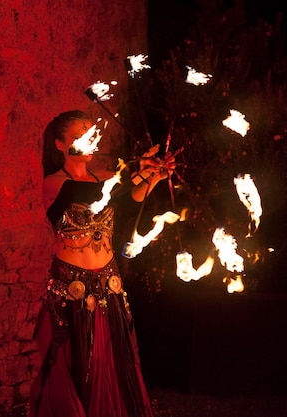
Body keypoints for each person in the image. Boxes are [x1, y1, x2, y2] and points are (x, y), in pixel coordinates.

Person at [29, 110, 175, 417]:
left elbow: (128, 197)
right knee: (81, 363)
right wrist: (137, 168)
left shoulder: (106, 179)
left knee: (114, 363)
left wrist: (154, 176)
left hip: (109, 285)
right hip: (73, 290)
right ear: (59, 144)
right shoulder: (54, 184)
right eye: (77, 136)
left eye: (89, 133)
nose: (87, 140)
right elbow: (90, 192)